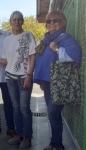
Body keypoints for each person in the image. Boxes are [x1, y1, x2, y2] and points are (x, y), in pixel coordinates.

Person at [0, 11, 36, 149]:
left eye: (19, 19)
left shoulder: (28, 35)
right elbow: (6, 60)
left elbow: (32, 56)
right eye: (14, 19)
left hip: (24, 77)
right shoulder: (7, 39)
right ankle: (18, 134)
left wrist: (29, 75)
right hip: (10, 78)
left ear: (22, 21)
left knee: (24, 108)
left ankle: (27, 137)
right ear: (11, 22)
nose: (17, 21)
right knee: (16, 108)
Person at [34, 10, 82, 150]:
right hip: (48, 84)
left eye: (55, 20)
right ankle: (54, 143)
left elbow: (75, 56)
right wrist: (42, 81)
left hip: (59, 85)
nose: (51, 23)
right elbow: (42, 61)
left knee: (53, 113)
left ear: (64, 22)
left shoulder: (65, 39)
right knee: (52, 114)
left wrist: (56, 50)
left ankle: (57, 145)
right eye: (48, 21)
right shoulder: (46, 40)